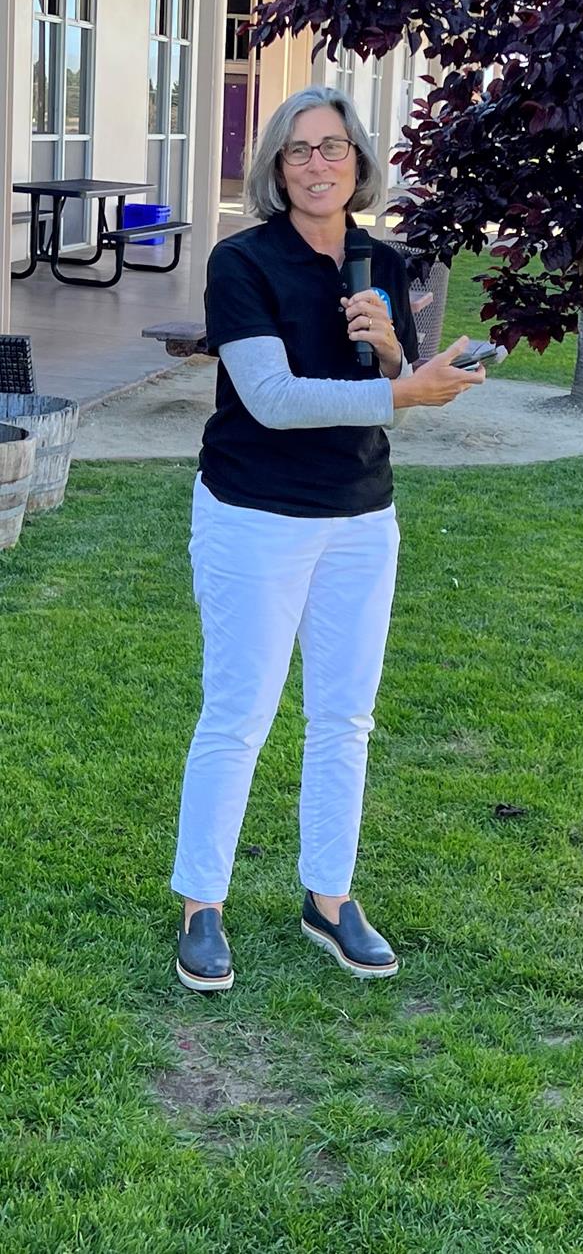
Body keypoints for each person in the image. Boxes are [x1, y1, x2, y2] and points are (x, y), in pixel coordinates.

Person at [170, 85, 485, 994]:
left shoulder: (379, 260)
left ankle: (330, 897)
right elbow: (270, 398)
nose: (318, 163)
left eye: (334, 148)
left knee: (345, 717)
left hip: (360, 517)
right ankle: (202, 905)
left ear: (358, 164)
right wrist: (402, 390)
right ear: (276, 165)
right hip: (254, 515)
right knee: (238, 715)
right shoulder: (241, 262)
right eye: (300, 149)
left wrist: (395, 353)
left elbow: (387, 380)